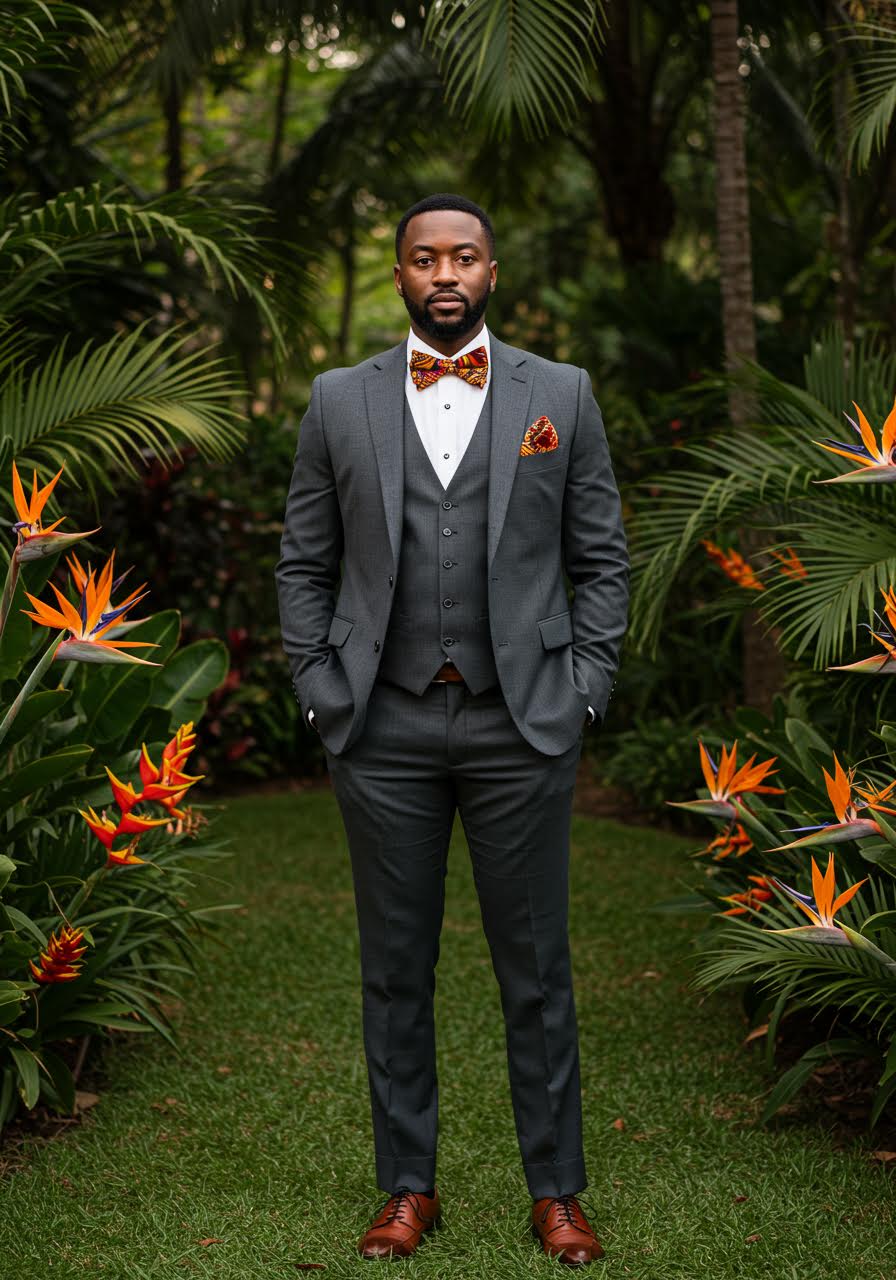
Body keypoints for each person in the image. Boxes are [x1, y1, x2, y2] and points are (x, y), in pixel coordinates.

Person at [274, 193, 629, 1266]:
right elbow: (302, 560)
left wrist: (582, 689)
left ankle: (556, 1191)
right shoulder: (339, 399)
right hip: (378, 727)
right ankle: (405, 1186)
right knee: (394, 968)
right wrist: (321, 687)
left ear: (489, 270)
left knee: (535, 968)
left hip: (520, 723)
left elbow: (602, 557)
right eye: (424, 257)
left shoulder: (556, 393)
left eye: (463, 256)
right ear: (397, 274)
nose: (444, 272)